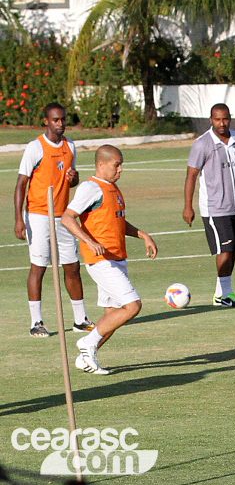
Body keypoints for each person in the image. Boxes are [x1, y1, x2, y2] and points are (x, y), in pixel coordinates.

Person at [62, 145, 158, 374]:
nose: (120, 169)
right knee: (133, 306)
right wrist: (88, 241)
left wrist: (142, 235)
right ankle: (87, 343)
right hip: (101, 260)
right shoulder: (90, 188)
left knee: (113, 316)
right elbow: (67, 218)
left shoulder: (112, 189)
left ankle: (86, 358)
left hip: (117, 258)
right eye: (116, 165)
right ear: (101, 164)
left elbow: (117, 222)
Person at [13, 102, 93, 337]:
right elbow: (20, 184)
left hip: (63, 216)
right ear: (46, 121)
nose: (60, 124)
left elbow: (72, 180)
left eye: (63, 120)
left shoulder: (70, 146)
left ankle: (80, 319)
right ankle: (36, 322)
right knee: (39, 267)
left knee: (72, 266)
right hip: (38, 214)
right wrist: (19, 219)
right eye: (56, 120)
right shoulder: (35, 148)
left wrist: (74, 178)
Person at [183, 103, 235, 307]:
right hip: (214, 208)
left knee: (233, 251)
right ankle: (221, 295)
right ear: (211, 120)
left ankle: (225, 292)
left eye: (225, 119)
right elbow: (191, 175)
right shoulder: (202, 144)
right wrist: (188, 206)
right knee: (224, 250)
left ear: (230, 118)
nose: (222, 123)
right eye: (217, 119)